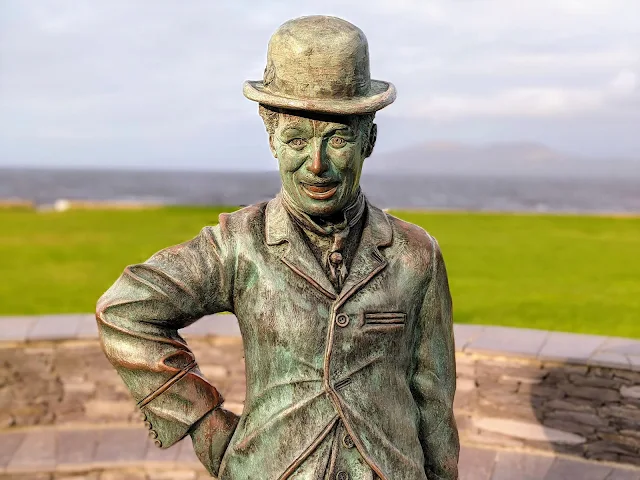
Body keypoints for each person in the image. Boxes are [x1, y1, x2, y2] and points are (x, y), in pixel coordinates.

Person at [97, 15, 459, 480]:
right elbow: (126, 309)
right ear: (271, 139)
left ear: (369, 139)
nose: (316, 164)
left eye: (338, 138)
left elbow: (433, 399)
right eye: (295, 139)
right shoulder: (238, 244)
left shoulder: (415, 255)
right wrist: (204, 421)